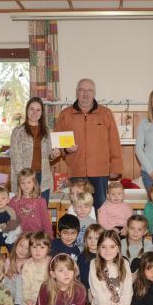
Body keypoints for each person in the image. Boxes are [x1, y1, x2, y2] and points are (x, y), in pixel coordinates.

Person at [55, 78, 123, 209]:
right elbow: (57, 144)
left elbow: (114, 142)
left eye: (89, 90)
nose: (85, 94)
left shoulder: (105, 113)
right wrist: (66, 150)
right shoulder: (65, 115)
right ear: (77, 93)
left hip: (100, 172)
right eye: (82, 90)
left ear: (94, 93)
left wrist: (116, 167)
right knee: (78, 209)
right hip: (76, 171)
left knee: (100, 209)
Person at [9, 97, 60, 201]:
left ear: (42, 113)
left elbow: (49, 155)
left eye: (38, 110)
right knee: (25, 213)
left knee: (42, 211)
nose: (34, 112)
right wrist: (24, 179)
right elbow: (15, 157)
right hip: (25, 178)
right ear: (27, 110)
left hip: (43, 177)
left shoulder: (46, 130)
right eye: (32, 109)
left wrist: (53, 155)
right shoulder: (18, 131)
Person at [89, 230, 135, 305]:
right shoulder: (94, 264)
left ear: (118, 248)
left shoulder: (125, 263)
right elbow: (97, 292)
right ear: (98, 248)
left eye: (112, 246)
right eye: (103, 247)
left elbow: (128, 290)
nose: (107, 251)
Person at [10, 168, 53, 239]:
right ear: (19, 185)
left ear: (34, 183)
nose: (26, 186)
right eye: (23, 183)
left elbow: (46, 222)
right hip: (20, 237)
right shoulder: (14, 201)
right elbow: (10, 220)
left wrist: (51, 238)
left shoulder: (40, 201)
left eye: (29, 182)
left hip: (37, 236)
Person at [18, 232, 51, 305]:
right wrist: (28, 299)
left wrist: (40, 302)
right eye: (34, 247)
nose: (37, 251)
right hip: (30, 300)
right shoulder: (27, 265)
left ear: (48, 249)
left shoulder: (51, 263)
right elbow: (25, 285)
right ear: (30, 249)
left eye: (42, 247)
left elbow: (53, 286)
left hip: (46, 300)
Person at [4, 233, 31, 305]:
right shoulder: (9, 261)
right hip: (11, 292)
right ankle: (3, 304)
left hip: (23, 293)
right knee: (2, 278)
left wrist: (19, 276)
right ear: (16, 245)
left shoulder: (29, 263)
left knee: (19, 278)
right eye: (21, 246)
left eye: (27, 248)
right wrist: (8, 275)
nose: (23, 250)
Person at [77, 224, 104, 290]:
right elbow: (82, 277)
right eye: (90, 238)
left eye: (96, 238)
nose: (93, 241)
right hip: (86, 289)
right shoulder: (82, 256)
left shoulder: (104, 256)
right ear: (85, 239)